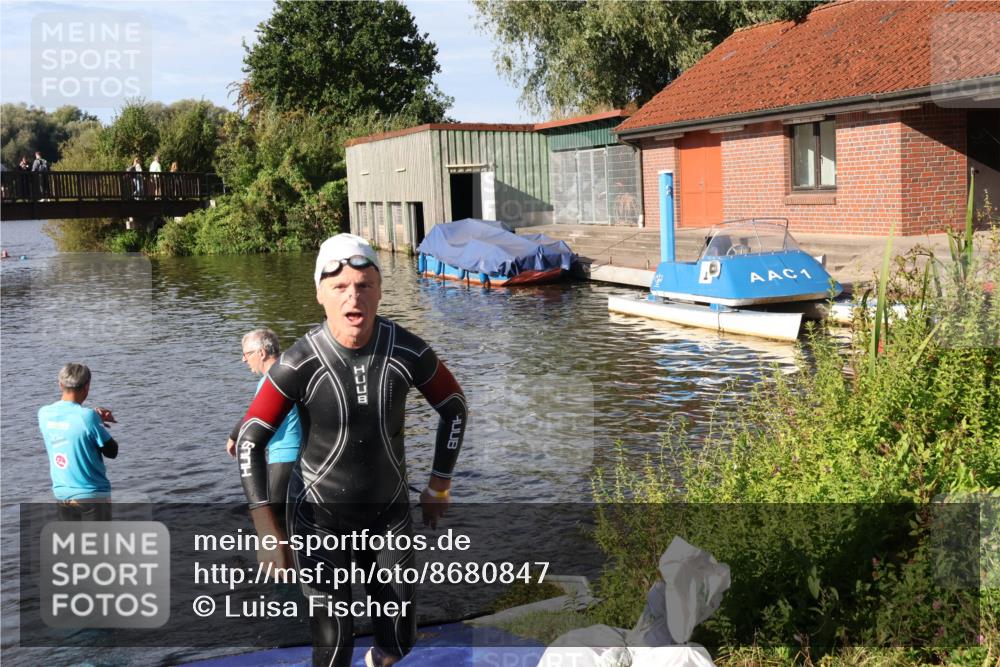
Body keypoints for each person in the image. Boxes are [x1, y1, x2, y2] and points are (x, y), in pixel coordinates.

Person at [231, 233, 467, 667]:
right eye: (340, 287)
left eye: (364, 285)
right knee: (333, 646)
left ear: (379, 290)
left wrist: (439, 486)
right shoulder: (299, 362)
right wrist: (268, 531)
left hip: (388, 517)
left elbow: (453, 407)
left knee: (399, 640)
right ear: (320, 293)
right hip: (320, 520)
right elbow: (250, 439)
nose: (352, 297)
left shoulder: (407, 350)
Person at [227, 328, 303, 533]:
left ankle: (281, 563)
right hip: (303, 457)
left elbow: (254, 418)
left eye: (246, 354)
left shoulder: (272, 381)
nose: (244, 360)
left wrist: (234, 437)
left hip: (283, 459)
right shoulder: (292, 373)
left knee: (275, 523)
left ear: (261, 353)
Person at [37, 363, 119, 521]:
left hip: (63, 495)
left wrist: (93, 417)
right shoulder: (87, 418)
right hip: (92, 495)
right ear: (87, 386)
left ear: (60, 384)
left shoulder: (44, 413)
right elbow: (112, 452)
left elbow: (68, 429)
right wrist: (97, 421)